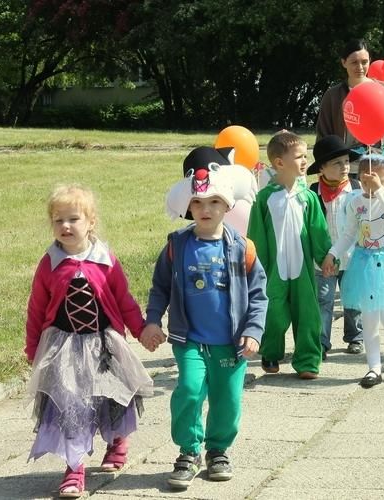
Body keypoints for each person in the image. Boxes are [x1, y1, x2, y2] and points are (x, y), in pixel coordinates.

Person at [141, 148, 268, 490]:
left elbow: (259, 295)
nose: (206, 209)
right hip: (190, 340)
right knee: (190, 389)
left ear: (228, 206)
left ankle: (218, 450)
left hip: (231, 341)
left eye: (214, 202)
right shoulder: (176, 246)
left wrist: (254, 330)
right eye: (198, 203)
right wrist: (152, 320)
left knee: (227, 398)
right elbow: (160, 288)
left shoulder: (243, 248)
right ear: (189, 208)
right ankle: (188, 450)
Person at [25, 184, 154, 498]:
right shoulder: (50, 263)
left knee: (111, 397)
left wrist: (141, 330)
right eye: (58, 220)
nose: (65, 226)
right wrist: (33, 347)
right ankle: (74, 468)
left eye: (73, 219)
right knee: (70, 405)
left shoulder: (105, 259)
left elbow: (123, 300)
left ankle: (117, 442)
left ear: (91, 222)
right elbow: (37, 307)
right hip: (64, 347)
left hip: (104, 346)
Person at [321, 153, 384, 387]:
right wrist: (333, 253)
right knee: (369, 319)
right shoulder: (355, 202)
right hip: (364, 262)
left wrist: (380, 190)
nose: (369, 187)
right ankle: (373, 367)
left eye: (375, 181)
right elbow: (348, 233)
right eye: (364, 182)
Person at [247, 131, 331, 379]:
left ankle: (307, 360)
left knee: (308, 314)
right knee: (273, 312)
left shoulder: (309, 198)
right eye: (299, 157)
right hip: (274, 269)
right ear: (279, 163)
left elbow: (319, 231)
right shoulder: (265, 199)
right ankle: (271, 352)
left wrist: (326, 256)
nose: (305, 161)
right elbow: (257, 235)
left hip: (303, 269)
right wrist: (254, 265)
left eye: (305, 156)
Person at [315, 39, 384, 160]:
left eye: (364, 62)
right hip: (347, 168)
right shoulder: (333, 96)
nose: (360, 67)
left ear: (370, 61)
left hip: (383, 167)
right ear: (344, 62)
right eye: (354, 62)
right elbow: (323, 136)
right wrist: (323, 164)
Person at [307, 135, 364, 357]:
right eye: (337, 163)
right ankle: (322, 341)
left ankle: (355, 336)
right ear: (322, 168)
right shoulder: (313, 192)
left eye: (346, 162)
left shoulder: (357, 189)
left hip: (352, 256)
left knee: (352, 299)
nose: (344, 167)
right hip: (324, 258)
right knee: (323, 299)